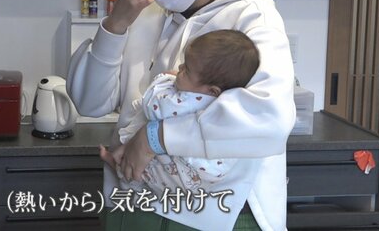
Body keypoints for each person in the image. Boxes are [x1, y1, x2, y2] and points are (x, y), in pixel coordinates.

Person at [67, 0, 295, 231]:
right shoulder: (145, 15)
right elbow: (89, 103)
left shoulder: (251, 15)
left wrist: (155, 137)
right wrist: (116, 24)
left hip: (210, 214)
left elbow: (269, 117)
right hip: (133, 202)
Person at [102, 30, 261, 201]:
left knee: (141, 166)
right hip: (209, 177)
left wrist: (163, 78)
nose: (179, 68)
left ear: (212, 91)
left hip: (184, 174)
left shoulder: (191, 100)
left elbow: (153, 106)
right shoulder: (224, 105)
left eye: (187, 70)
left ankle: (122, 171)